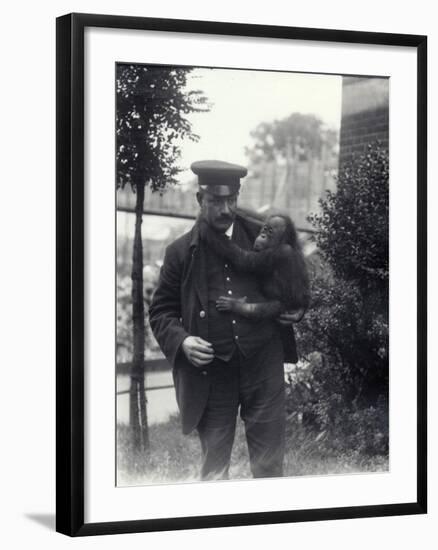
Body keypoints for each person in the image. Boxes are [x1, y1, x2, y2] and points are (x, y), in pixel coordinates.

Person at [149, 160, 302, 481]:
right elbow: (161, 311)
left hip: (263, 365)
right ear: (199, 200)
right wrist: (183, 340)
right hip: (213, 374)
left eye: (231, 200)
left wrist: (298, 307)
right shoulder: (179, 252)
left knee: (269, 465)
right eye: (216, 201)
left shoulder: (264, 233)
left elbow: (297, 277)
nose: (226, 209)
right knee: (215, 469)